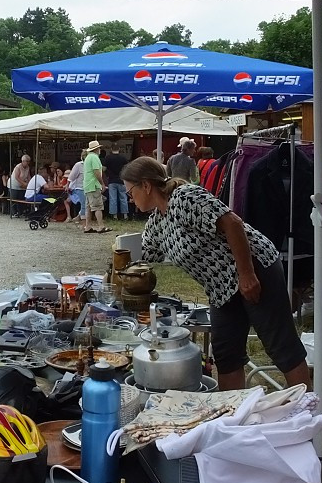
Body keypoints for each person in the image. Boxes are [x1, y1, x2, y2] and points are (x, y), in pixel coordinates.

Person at [122, 156, 310, 391]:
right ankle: (234, 416)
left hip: (254, 267)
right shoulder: (156, 224)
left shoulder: (185, 198)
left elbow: (233, 224)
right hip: (221, 288)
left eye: (131, 192)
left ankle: (308, 411)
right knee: (226, 353)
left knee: (279, 344)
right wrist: (120, 266)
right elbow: (144, 260)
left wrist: (247, 275)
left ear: (146, 185)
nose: (130, 199)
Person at [82, 140, 109, 233]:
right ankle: (101, 226)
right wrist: (102, 183)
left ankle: (88, 226)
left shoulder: (88, 157)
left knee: (89, 207)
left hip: (87, 185)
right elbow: (96, 172)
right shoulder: (94, 157)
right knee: (98, 206)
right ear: (97, 149)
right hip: (93, 185)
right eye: (99, 148)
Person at [103, 147, 130, 220]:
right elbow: (128, 168)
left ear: (111, 149)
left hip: (112, 180)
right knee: (123, 198)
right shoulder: (123, 158)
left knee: (113, 198)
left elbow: (103, 169)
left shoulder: (108, 158)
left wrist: (108, 174)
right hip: (121, 180)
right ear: (119, 149)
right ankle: (125, 215)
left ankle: (114, 216)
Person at [67, 150, 86, 226]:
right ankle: (84, 223)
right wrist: (68, 185)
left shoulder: (90, 165)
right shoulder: (78, 165)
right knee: (84, 205)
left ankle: (78, 217)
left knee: (87, 205)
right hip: (80, 188)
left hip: (88, 187)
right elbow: (71, 176)